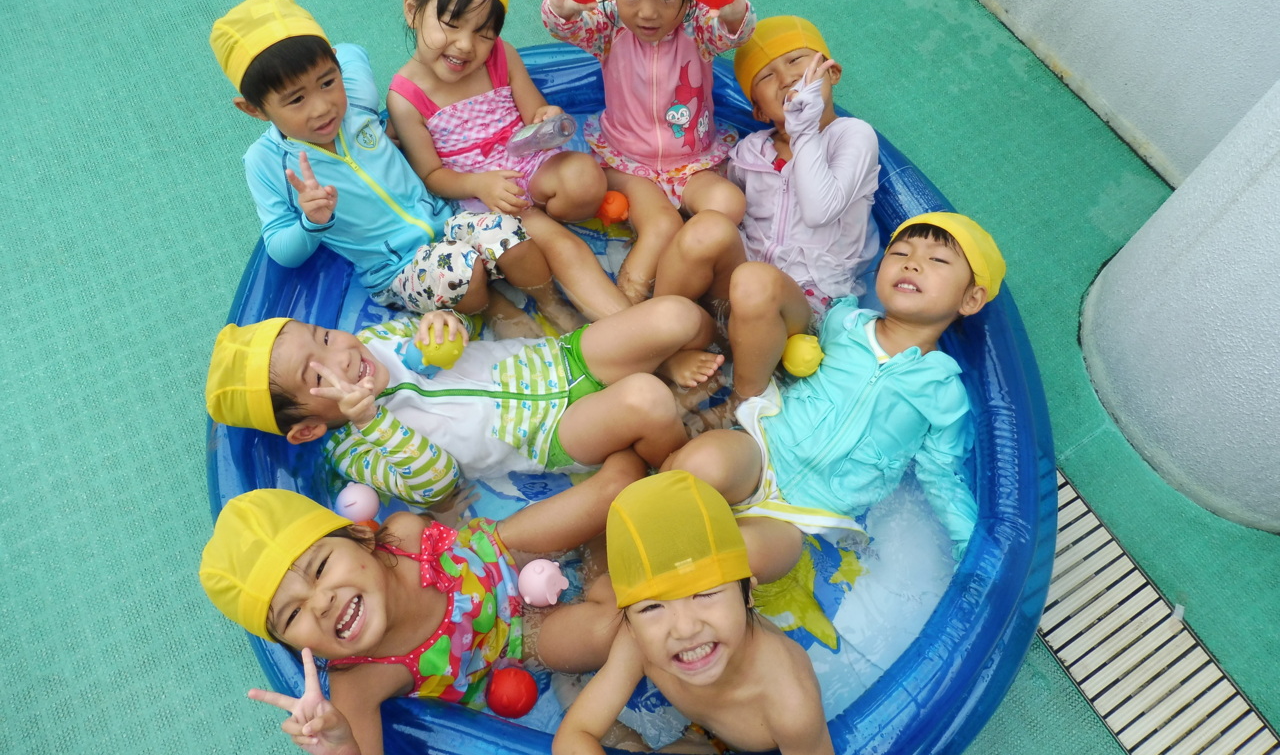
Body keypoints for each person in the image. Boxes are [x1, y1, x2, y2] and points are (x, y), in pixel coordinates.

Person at [209, 0, 603, 337]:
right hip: (398, 266)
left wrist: (374, 115)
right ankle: (494, 308)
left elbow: (350, 52)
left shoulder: (355, 103)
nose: (322, 107)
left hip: (447, 221)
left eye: (327, 82)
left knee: (508, 233)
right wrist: (312, 221)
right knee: (461, 273)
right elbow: (280, 249)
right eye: (296, 100)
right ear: (254, 109)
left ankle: (550, 301)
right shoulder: (265, 163)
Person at [665, 212, 1005, 582]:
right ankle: (650, 508)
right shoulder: (841, 323)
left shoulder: (944, 392)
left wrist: (970, 549)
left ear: (971, 299)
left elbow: (942, 475)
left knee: (746, 557)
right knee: (697, 467)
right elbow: (775, 321)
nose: (912, 263)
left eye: (937, 259)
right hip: (762, 452)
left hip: (807, 516)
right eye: (900, 252)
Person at [201, 476, 643, 755]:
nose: (321, 603)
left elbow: (441, 525)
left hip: (500, 551)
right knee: (612, 630)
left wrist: (448, 513)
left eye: (320, 568)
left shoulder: (404, 535)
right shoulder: (359, 680)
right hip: (516, 641)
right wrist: (338, 744)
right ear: (292, 645)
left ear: (361, 538)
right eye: (293, 613)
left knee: (616, 490)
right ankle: (600, 567)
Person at [205, 296, 724, 507]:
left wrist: (445, 322)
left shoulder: (376, 340)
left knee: (676, 316)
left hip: (557, 360)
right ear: (307, 430)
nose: (340, 355)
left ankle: (719, 358)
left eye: (323, 336)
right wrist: (371, 420)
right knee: (645, 400)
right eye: (316, 374)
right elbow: (436, 484)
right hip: (553, 431)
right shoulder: (357, 452)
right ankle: (680, 458)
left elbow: (465, 326)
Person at [655, 16, 881, 423]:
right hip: (737, 292)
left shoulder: (852, 136)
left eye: (797, 61)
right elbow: (726, 218)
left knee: (755, 280)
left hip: (803, 309)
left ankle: (742, 402)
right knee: (710, 228)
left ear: (832, 72)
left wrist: (804, 129)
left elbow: (820, 208)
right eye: (767, 76)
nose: (787, 77)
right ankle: (662, 342)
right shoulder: (751, 151)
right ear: (758, 109)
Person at [542, 0, 756, 303]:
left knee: (729, 204)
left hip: (692, 162)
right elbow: (562, 25)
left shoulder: (698, 30)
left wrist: (732, 7)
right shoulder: (608, 30)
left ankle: (684, 268)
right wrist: (564, 0)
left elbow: (734, 33)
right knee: (661, 227)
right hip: (630, 162)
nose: (647, 13)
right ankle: (629, 305)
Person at [546, 471, 833, 755]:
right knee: (566, 671)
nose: (684, 629)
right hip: (702, 735)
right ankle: (595, 550)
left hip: (733, 740)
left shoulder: (790, 704)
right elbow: (576, 733)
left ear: (748, 594)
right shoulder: (638, 642)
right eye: (653, 606)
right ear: (631, 625)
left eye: (706, 594)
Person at [387, 0, 610, 225]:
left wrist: (548, 118)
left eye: (483, 34)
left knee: (586, 177)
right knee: (551, 241)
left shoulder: (501, 56)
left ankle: (550, 218)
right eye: (451, 25)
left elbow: (535, 115)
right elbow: (431, 175)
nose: (465, 45)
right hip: (481, 196)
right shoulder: (405, 98)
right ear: (412, 11)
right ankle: (539, 230)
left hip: (532, 168)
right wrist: (478, 184)